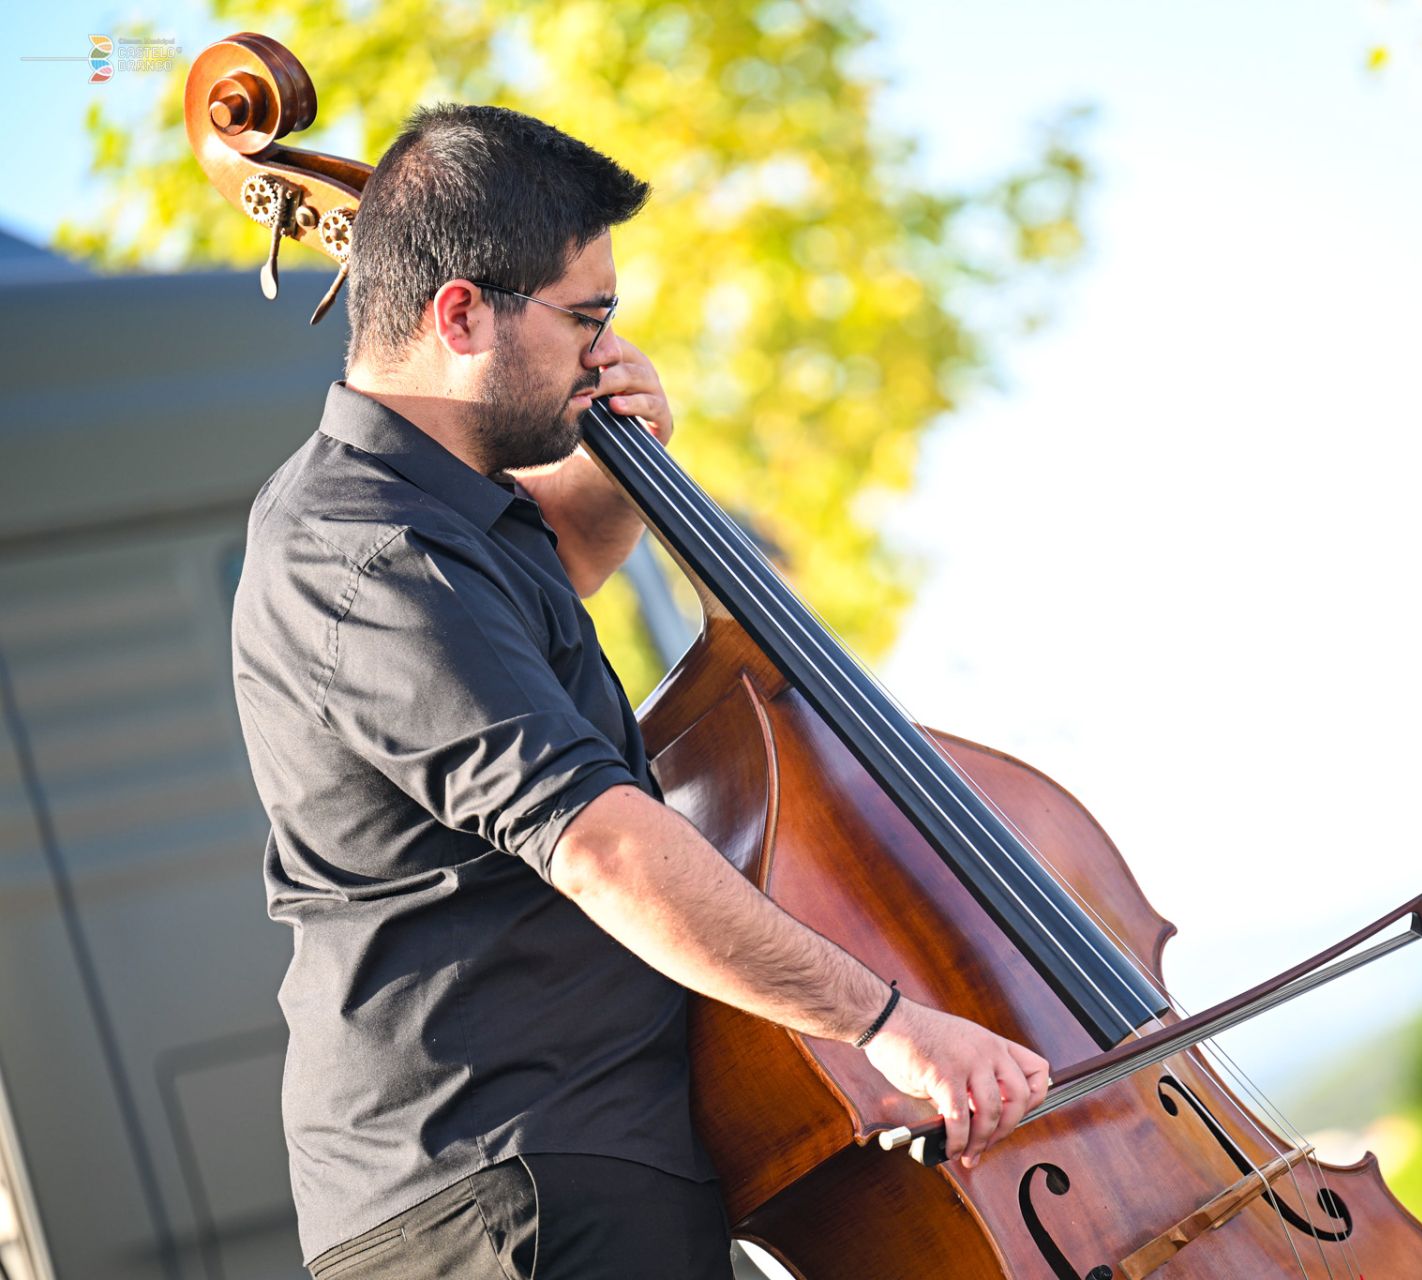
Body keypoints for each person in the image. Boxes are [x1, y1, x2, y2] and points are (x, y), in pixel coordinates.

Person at [230, 102, 1049, 1280]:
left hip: (560, 1165)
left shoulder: (442, 520)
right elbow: (603, 846)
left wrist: (618, 459)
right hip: (496, 1188)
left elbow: (534, 598)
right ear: (460, 313)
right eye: (584, 317)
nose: (601, 345)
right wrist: (890, 1022)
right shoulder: (366, 553)